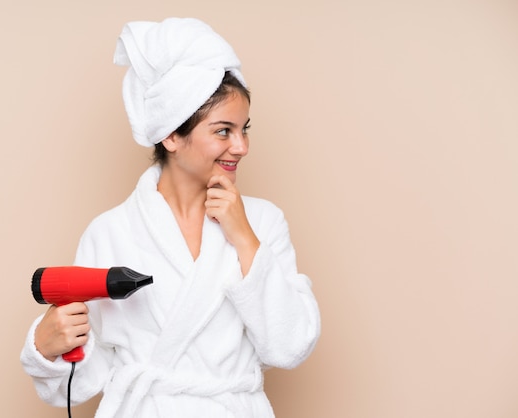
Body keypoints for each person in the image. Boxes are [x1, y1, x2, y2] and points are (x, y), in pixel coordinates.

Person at [21, 17, 320, 417]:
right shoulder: (111, 232)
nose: (242, 146)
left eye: (244, 129)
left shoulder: (263, 222)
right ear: (172, 135)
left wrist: (244, 237)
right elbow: (83, 380)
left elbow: (290, 345)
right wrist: (45, 347)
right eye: (223, 131)